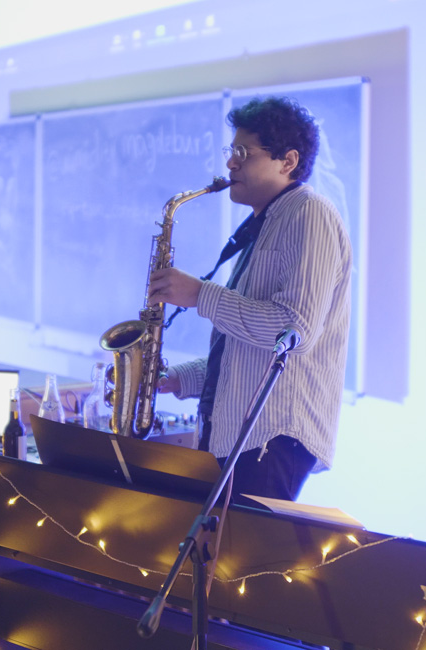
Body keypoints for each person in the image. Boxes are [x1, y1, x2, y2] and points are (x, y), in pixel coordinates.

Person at [148, 96, 352, 501]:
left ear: (287, 161)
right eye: (232, 151)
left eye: (243, 153)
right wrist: (177, 378)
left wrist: (200, 294)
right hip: (243, 439)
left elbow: (293, 330)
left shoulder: (309, 213)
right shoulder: (265, 224)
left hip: (270, 438)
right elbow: (244, 352)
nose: (230, 163)